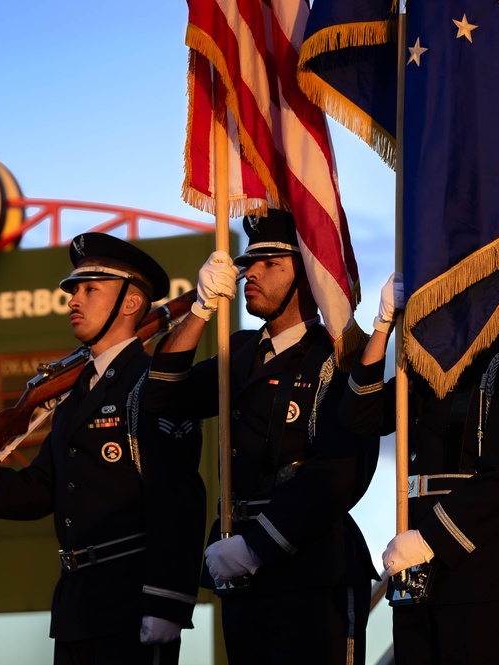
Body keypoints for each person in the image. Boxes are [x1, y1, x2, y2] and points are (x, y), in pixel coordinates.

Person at [0, 233, 206, 665]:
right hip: (77, 606)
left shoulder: (153, 386)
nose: (74, 299)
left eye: (90, 288)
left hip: (134, 602)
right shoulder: (77, 392)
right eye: (74, 289)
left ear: (131, 304)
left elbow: (177, 499)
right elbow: (42, 489)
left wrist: (168, 600)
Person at [141, 210, 380, 665]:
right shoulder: (241, 351)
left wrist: (256, 547)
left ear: (308, 276)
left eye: (270, 262)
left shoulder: (340, 356)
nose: (251, 271)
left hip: (311, 567)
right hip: (242, 568)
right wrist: (199, 311)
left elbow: (340, 473)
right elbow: (160, 398)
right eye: (250, 261)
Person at [340, 273, 499, 664]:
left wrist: (429, 539)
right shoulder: (422, 370)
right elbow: (357, 418)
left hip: (482, 574)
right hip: (415, 575)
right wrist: (381, 327)